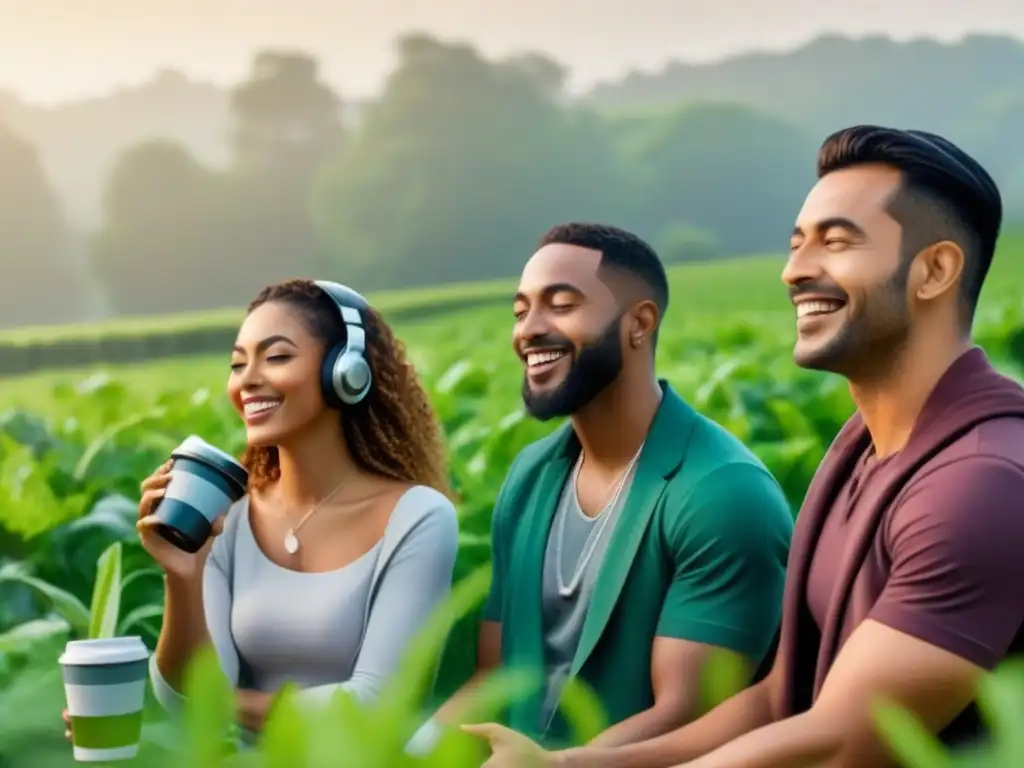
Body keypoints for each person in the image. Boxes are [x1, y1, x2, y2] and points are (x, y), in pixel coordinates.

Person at [467, 127, 1024, 767]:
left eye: (837, 241)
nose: (795, 270)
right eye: (796, 244)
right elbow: (777, 702)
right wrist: (564, 765)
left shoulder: (979, 484)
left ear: (935, 270)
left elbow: (845, 743)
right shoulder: (863, 454)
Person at [408, 223, 793, 757]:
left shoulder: (722, 493)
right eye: (521, 312)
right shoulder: (528, 477)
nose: (529, 331)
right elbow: (494, 676)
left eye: (561, 305)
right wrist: (408, 751)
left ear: (639, 323)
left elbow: (690, 713)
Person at [63, 278, 459, 742]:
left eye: (276, 357)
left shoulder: (419, 517)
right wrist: (183, 575)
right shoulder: (229, 515)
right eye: (237, 363)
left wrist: (218, 704)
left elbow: (373, 704)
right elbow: (187, 699)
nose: (248, 379)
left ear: (347, 371)